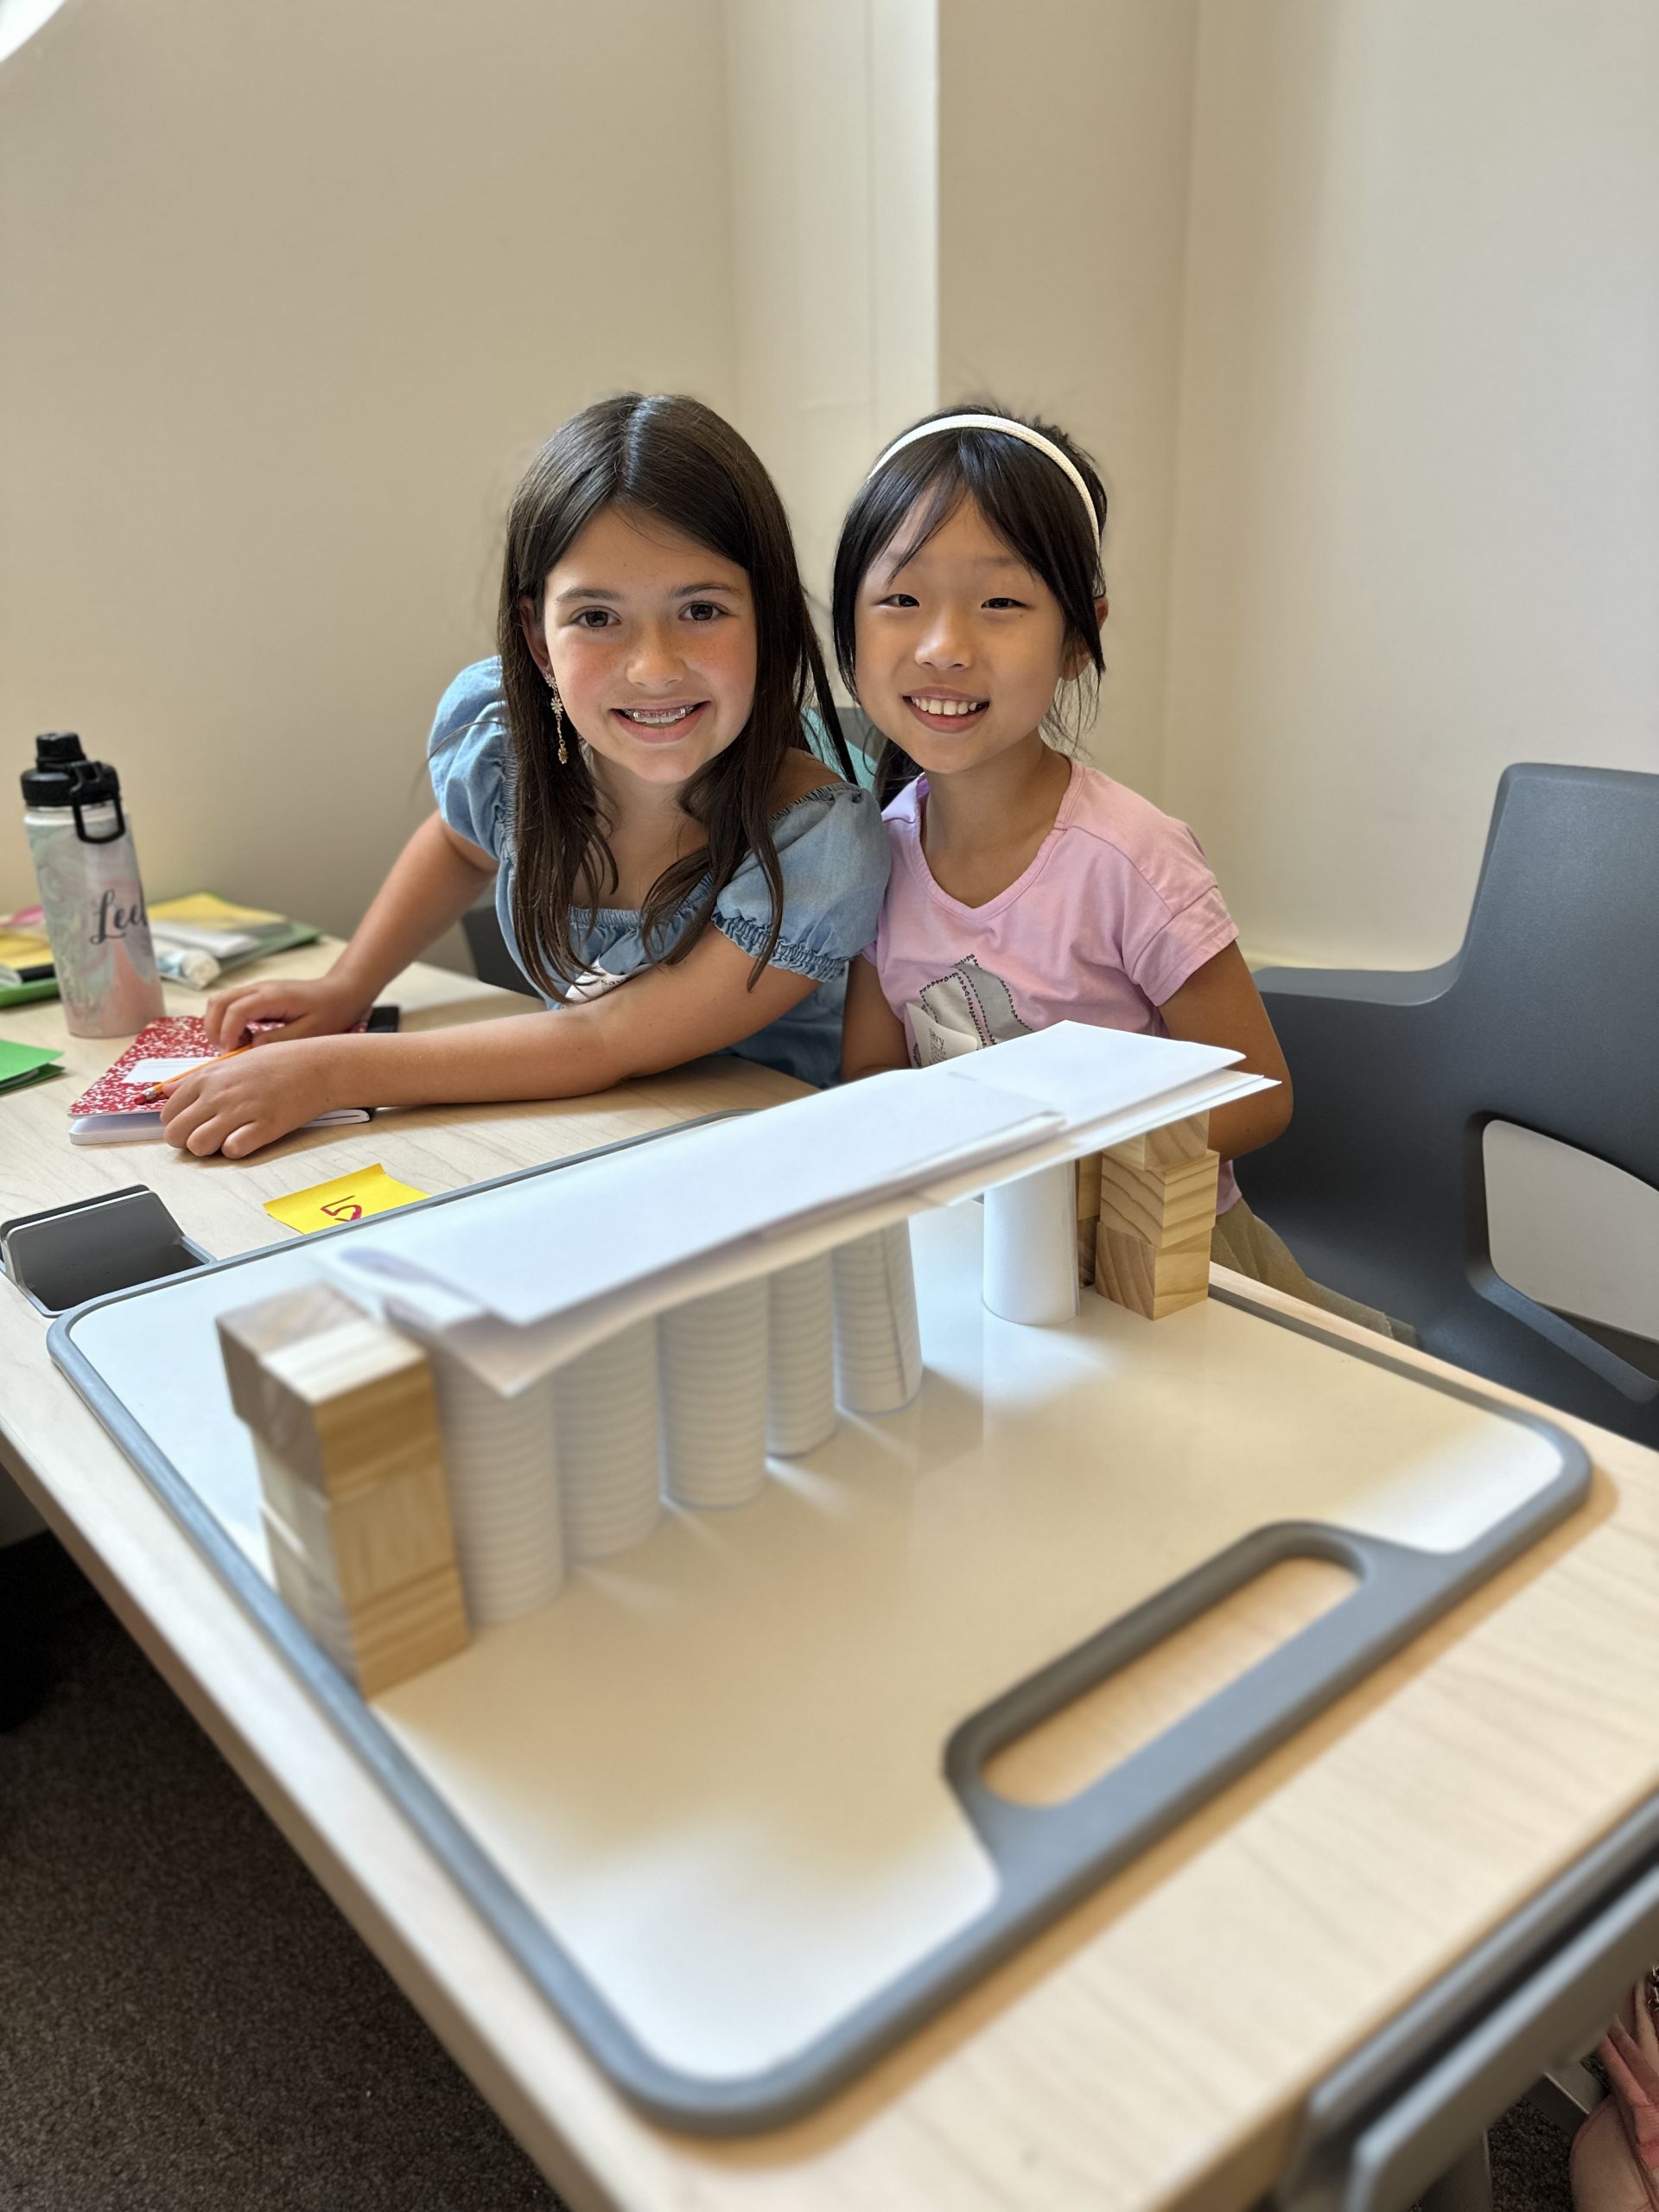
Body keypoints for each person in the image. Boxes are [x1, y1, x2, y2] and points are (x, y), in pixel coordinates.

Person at [160, 394, 889, 1159]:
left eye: (701, 610)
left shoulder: (821, 844)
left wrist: (330, 1072)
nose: (654, 668)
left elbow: (606, 1039)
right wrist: (348, 986)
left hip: (779, 1161)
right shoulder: (508, 751)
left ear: (769, 620)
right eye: (597, 617)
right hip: (589, 1134)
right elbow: (458, 845)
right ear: (538, 641)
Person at [834, 402, 1401, 1337]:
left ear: (1078, 636)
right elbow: (871, 1073)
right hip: (982, 1256)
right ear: (849, 627)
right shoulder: (876, 856)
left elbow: (1260, 1093)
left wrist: (1070, 1169)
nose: (944, 646)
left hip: (1165, 1268)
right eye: (901, 600)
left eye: (1001, 603)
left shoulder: (1129, 858)